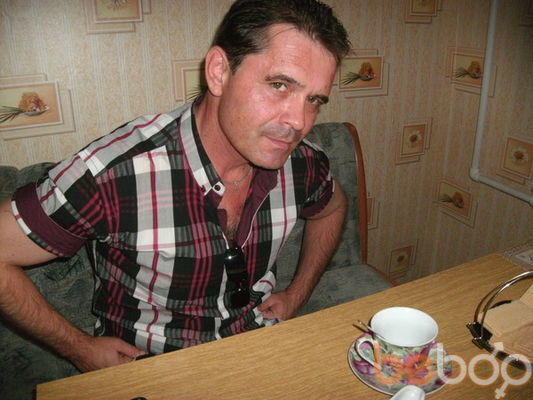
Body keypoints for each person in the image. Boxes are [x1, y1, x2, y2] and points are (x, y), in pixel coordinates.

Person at [0, 0, 350, 373]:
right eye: (279, 85)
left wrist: (297, 293)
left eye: (314, 100)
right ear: (219, 71)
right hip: (152, 366)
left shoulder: (302, 162)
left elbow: (333, 207)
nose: (299, 122)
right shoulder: (115, 173)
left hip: (257, 348)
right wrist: (79, 349)